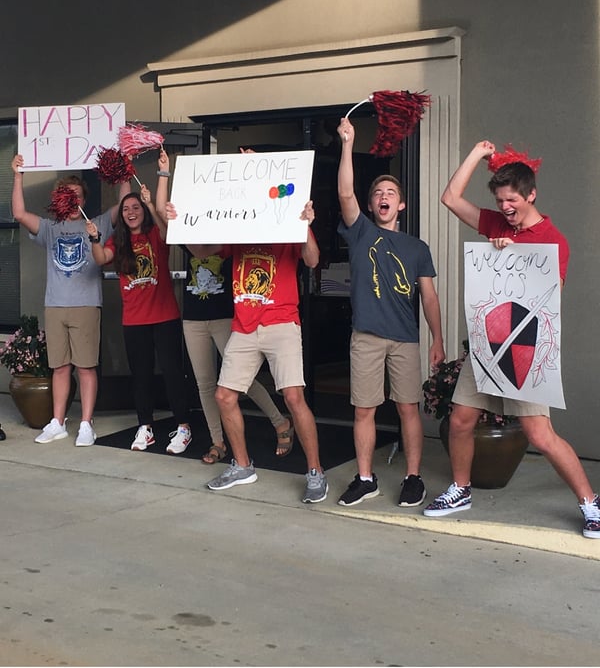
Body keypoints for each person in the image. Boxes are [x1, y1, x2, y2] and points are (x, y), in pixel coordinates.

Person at [423, 140, 600, 539]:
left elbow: (546, 300)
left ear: (532, 194)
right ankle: (461, 490)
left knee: (540, 434)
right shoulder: (498, 225)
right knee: (461, 420)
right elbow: (450, 198)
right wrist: (476, 152)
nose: (506, 207)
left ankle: (591, 503)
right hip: (487, 343)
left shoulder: (553, 240)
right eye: (500, 199)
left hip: (524, 348)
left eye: (513, 199)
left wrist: (512, 255)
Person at [166, 195, 328, 503]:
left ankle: (315, 472)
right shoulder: (238, 229)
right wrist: (177, 223)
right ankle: (241, 465)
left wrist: (306, 225)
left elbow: (312, 259)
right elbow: (201, 251)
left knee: (293, 396)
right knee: (224, 396)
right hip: (244, 324)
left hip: (281, 320)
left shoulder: (286, 221)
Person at [335, 117, 445, 507]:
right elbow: (345, 193)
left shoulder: (417, 248)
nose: (383, 196)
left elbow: (428, 297)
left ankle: (413, 477)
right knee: (363, 410)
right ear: (371, 204)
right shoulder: (361, 230)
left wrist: (437, 339)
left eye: (390, 192)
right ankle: (366, 478)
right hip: (365, 335)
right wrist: (348, 143)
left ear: (400, 204)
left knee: (407, 409)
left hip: (404, 338)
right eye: (377, 192)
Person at [11, 153, 130, 446]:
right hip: (55, 305)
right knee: (60, 367)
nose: (73, 200)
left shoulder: (99, 222)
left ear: (84, 199)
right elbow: (19, 214)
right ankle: (58, 421)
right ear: (59, 198)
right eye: (68, 195)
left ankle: (87, 424)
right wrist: (17, 175)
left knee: (86, 366)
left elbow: (125, 206)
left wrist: (124, 171)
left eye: (77, 195)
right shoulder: (50, 228)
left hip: (86, 304)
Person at [86, 148, 190, 453]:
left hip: (165, 317)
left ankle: (183, 426)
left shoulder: (155, 236)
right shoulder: (116, 242)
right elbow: (100, 259)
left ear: (143, 211)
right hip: (134, 321)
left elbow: (166, 224)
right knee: (141, 376)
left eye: (136, 208)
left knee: (172, 374)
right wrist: (93, 238)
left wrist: (159, 181)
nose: (131, 212)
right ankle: (145, 427)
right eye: (126, 208)